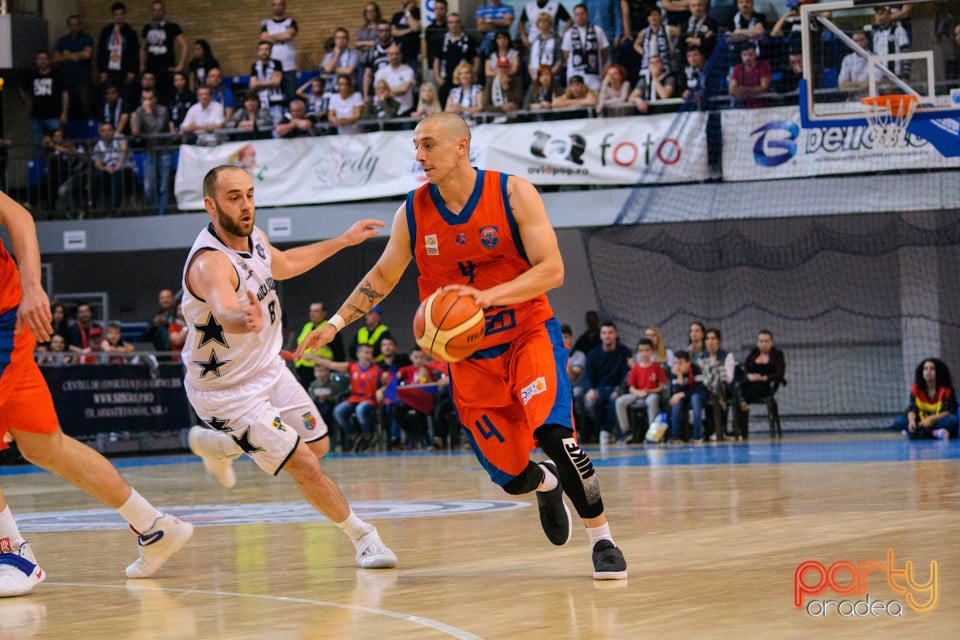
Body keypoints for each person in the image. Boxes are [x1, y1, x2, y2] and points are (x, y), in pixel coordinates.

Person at [296, 112, 628, 580]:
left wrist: (490, 298)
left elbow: (552, 270)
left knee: (556, 436)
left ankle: (603, 540)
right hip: (467, 359)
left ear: (461, 147)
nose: (419, 155)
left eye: (428, 144)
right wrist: (334, 324)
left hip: (526, 334)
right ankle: (544, 483)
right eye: (416, 145)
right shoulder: (413, 211)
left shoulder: (513, 193)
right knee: (512, 477)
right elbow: (383, 276)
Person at [181, 165, 396, 569]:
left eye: (249, 194)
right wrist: (240, 317)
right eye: (233, 198)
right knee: (306, 465)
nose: (246, 206)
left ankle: (223, 447)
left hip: (268, 369)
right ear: (210, 206)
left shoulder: (255, 238)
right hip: (228, 394)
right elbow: (223, 306)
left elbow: (285, 263)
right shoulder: (210, 263)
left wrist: (344, 241)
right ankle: (364, 537)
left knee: (319, 445)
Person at [0, 191, 192, 597]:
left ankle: (12, 552)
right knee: (43, 445)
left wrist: (34, 286)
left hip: (6, 318)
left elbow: (17, 215)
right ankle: (153, 525)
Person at [314, 345, 380, 452]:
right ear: (358, 354)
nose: (368, 356)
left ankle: (368, 438)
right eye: (366, 353)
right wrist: (314, 358)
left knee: (360, 409)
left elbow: (386, 383)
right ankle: (354, 435)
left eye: (370, 353)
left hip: (369, 400)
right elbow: (331, 364)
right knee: (338, 411)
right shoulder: (352, 366)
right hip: (354, 399)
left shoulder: (377, 369)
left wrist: (381, 390)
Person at [583, 321, 633, 444]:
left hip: (616, 388)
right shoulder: (593, 353)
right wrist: (590, 389)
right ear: (600, 335)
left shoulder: (624, 352)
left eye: (610, 333)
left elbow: (626, 375)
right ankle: (602, 431)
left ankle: (606, 431)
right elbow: (588, 375)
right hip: (598, 388)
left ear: (616, 334)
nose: (607, 336)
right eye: (604, 333)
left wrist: (620, 390)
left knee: (615, 401)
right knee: (591, 402)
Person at [733, 329, 785, 441]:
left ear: (771, 342)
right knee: (737, 379)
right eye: (761, 341)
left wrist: (764, 378)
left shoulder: (777, 355)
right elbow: (745, 369)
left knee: (738, 393)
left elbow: (780, 374)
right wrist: (749, 376)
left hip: (766, 386)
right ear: (757, 342)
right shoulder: (753, 353)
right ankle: (741, 430)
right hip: (750, 383)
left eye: (766, 341)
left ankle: (742, 403)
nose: (764, 344)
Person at [614, 338, 666, 442]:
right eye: (641, 350)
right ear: (638, 353)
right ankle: (626, 431)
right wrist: (639, 392)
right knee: (620, 401)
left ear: (652, 352)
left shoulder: (657, 367)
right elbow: (631, 388)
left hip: (652, 393)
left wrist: (649, 391)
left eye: (647, 350)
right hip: (638, 393)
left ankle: (653, 433)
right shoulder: (635, 368)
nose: (644, 353)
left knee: (651, 400)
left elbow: (661, 387)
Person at [131, 88, 174, 215]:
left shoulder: (163, 110)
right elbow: (136, 130)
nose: (147, 102)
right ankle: (154, 213)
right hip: (149, 152)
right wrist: (136, 129)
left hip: (164, 151)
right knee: (149, 187)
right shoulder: (139, 111)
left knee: (163, 187)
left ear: (155, 99)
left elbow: (157, 130)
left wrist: (148, 112)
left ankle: (162, 215)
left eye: (150, 99)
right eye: (144, 99)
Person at [895, 359, 958, 441]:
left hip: (936, 421)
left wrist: (931, 418)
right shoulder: (916, 388)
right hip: (920, 421)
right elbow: (912, 408)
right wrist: (911, 421)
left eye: (932, 368)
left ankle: (916, 433)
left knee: (952, 420)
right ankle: (935, 433)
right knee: (899, 421)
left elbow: (949, 410)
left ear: (938, 371)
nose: (928, 371)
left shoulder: (946, 389)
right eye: (925, 368)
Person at [140, 1, 187, 103]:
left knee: (167, 96)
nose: (157, 12)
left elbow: (184, 45)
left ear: (164, 11)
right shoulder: (147, 28)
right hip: (151, 68)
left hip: (167, 67)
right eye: (154, 10)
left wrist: (180, 65)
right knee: (151, 96)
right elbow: (143, 48)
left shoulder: (172, 27)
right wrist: (142, 66)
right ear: (152, 12)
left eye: (159, 10)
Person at [22, 51, 69, 152]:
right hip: (36, 116)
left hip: (53, 115)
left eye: (44, 58)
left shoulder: (57, 75)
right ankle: (40, 166)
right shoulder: (32, 75)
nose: (42, 61)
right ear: (36, 61)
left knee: (57, 142)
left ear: (49, 60)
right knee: (37, 144)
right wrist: (29, 102)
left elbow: (64, 93)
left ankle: (58, 164)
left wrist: (64, 113)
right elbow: (22, 88)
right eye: (40, 59)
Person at [294, 302, 347, 388]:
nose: (312, 314)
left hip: (321, 372)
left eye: (316, 311)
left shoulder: (329, 328)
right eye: (311, 311)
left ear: (324, 313)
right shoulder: (307, 326)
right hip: (303, 371)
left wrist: (335, 370)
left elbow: (339, 353)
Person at [561, 3, 611, 92]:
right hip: (575, 73)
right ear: (574, 16)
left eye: (582, 14)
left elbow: (605, 52)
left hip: (593, 74)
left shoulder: (598, 31)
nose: (580, 17)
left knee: (594, 98)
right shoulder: (569, 33)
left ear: (587, 15)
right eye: (577, 14)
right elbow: (566, 54)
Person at [53, 15, 95, 119]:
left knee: (85, 106)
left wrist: (67, 55)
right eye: (71, 25)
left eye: (76, 25)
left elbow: (87, 54)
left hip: (83, 79)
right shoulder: (62, 41)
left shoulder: (86, 38)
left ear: (80, 26)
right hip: (66, 79)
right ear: (68, 26)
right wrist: (76, 56)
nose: (74, 28)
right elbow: (55, 58)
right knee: (68, 108)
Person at [96, 2, 140, 94]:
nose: (119, 17)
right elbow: (101, 52)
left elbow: (134, 53)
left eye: (121, 14)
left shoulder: (130, 33)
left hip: (124, 70)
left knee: (125, 96)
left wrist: (132, 72)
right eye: (116, 14)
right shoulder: (106, 31)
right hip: (109, 71)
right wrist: (102, 71)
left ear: (124, 15)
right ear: (113, 15)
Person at [260, 0, 299, 102]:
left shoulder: (291, 22)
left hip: (289, 66)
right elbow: (263, 38)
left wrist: (271, 37)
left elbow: (288, 35)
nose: (277, 6)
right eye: (275, 4)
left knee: (291, 97)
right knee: (275, 98)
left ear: (284, 6)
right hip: (273, 68)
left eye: (280, 4)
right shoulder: (267, 24)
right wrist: (281, 37)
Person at [668, 350, 706, 443]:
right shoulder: (675, 373)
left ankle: (698, 436)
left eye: (680, 363)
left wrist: (681, 394)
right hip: (684, 396)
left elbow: (698, 388)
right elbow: (675, 391)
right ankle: (676, 437)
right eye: (675, 363)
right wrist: (679, 377)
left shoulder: (695, 369)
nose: (677, 366)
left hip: (699, 394)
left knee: (695, 398)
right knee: (677, 403)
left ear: (688, 363)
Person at [249, 41, 286, 125]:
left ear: (270, 51)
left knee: (277, 125)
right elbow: (252, 85)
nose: (264, 52)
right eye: (261, 49)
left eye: (266, 49)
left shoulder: (277, 64)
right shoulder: (255, 66)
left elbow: (276, 82)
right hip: (261, 101)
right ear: (258, 52)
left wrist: (258, 83)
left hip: (276, 100)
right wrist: (270, 82)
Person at [374, 44, 416, 116]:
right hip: (387, 111)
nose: (394, 56)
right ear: (387, 56)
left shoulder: (408, 70)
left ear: (401, 55)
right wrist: (397, 91)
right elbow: (378, 91)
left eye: (397, 54)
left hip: (405, 110)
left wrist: (386, 91)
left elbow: (404, 88)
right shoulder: (380, 72)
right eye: (391, 54)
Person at [142, 288, 178, 358]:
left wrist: (166, 325)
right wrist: (154, 325)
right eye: (162, 298)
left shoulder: (180, 314)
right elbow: (145, 337)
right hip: (160, 355)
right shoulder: (155, 317)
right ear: (159, 301)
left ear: (173, 300)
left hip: (178, 355)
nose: (165, 300)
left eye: (168, 297)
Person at [390, 0, 422, 66]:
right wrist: (410, 30)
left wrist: (408, 12)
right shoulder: (397, 15)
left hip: (413, 52)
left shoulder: (420, 13)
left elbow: (415, 27)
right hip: (399, 52)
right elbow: (394, 32)